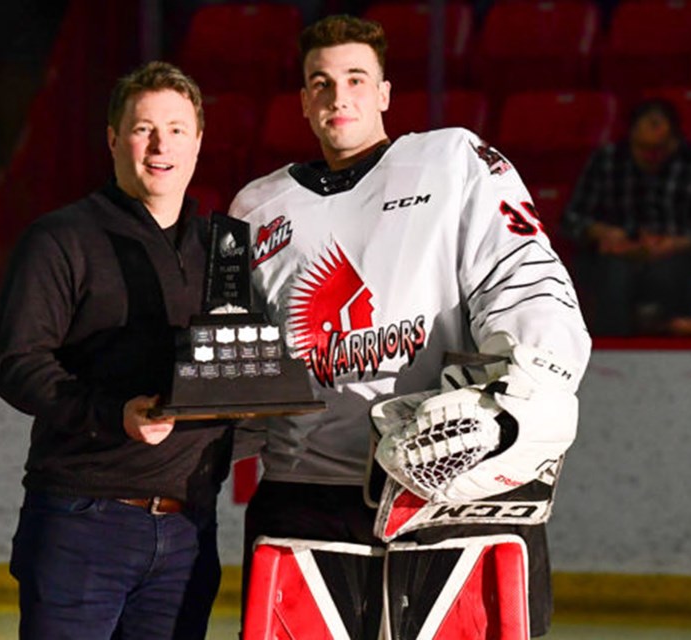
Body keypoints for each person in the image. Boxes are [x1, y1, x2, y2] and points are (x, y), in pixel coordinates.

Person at [228, 14, 591, 638]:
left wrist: (526, 395)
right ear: (303, 101)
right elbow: (239, 361)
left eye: (355, 79)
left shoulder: (452, 162)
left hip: (450, 498)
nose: (339, 96)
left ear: (386, 93)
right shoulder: (256, 210)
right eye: (321, 83)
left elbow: (527, 279)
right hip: (305, 501)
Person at [0, 60, 233, 640]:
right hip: (82, 523)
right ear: (113, 138)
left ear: (198, 140)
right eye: (143, 127)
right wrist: (111, 414)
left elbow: (233, 369)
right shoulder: (61, 238)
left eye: (176, 129)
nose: (159, 144)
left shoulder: (221, 250)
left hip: (188, 535)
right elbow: (16, 364)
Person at [560, 98, 691, 336]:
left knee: (670, 275)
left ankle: (671, 353)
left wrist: (680, 243)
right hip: (616, 255)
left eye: (660, 149)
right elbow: (570, 219)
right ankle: (612, 358)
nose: (651, 156)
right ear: (630, 137)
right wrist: (602, 232)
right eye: (644, 149)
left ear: (675, 140)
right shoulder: (607, 160)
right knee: (612, 276)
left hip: (678, 254)